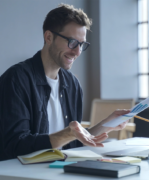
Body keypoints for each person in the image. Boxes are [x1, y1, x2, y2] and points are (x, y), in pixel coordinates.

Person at [0, 4, 130, 161]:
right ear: (48, 37)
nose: (77, 52)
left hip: (62, 170)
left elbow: (73, 142)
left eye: (81, 44)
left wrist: (106, 124)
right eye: (72, 42)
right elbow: (15, 146)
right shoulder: (16, 79)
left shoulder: (72, 84)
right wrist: (68, 133)